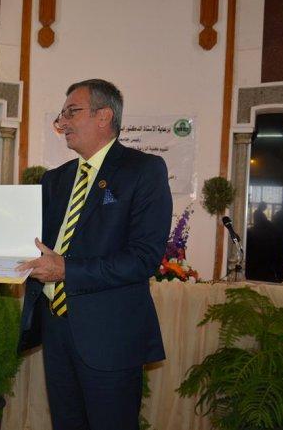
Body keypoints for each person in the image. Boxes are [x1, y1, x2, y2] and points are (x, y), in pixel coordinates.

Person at [17, 79, 172, 430]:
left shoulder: (143, 170)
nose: (63, 122)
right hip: (56, 329)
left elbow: (143, 258)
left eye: (71, 112)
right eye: (61, 115)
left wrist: (67, 271)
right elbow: (30, 244)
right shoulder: (55, 180)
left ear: (104, 116)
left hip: (110, 336)